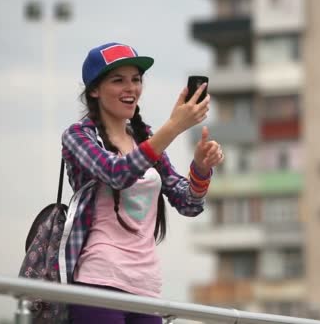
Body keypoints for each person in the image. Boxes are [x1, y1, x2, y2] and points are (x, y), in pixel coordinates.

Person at [59, 42, 224, 323]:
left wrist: (200, 169)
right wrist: (174, 127)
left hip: (146, 287)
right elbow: (117, 173)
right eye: (118, 80)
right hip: (99, 280)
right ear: (94, 90)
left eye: (136, 79)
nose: (131, 88)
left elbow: (188, 204)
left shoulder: (144, 137)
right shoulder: (78, 136)